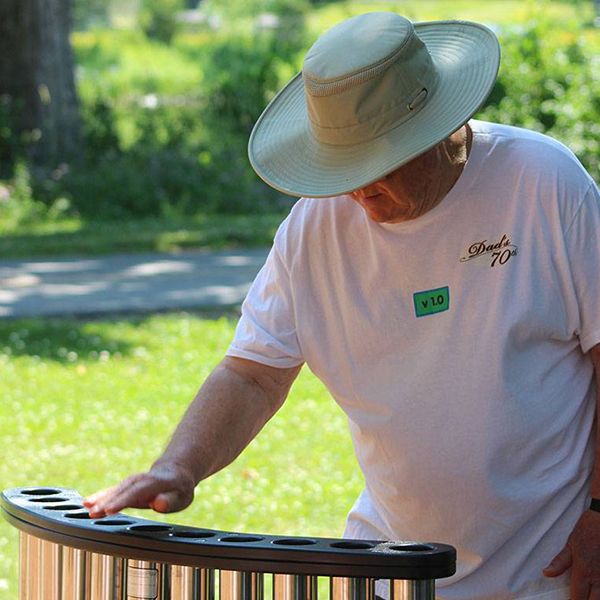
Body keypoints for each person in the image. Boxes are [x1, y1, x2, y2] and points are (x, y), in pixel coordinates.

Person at [84, 12, 600, 600]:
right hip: (394, 572)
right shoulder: (315, 229)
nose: (354, 190)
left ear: (437, 129)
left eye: (374, 165)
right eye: (340, 167)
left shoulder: (544, 184)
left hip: (553, 574)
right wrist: (178, 466)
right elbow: (253, 374)